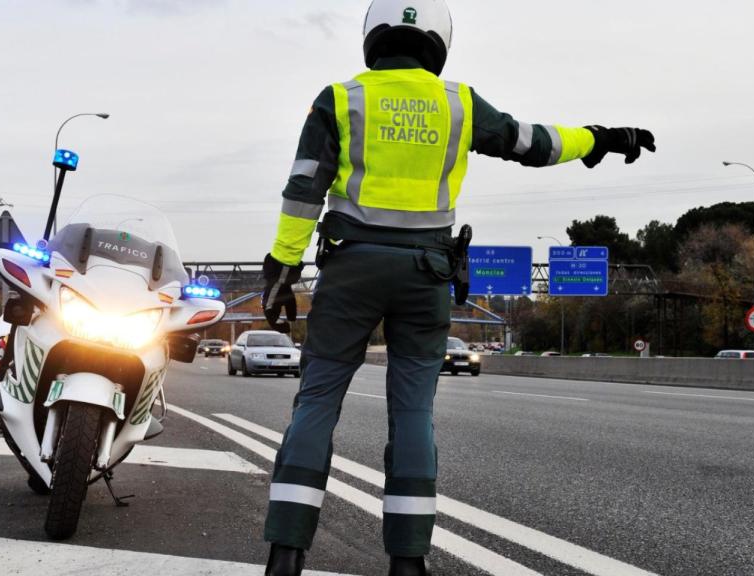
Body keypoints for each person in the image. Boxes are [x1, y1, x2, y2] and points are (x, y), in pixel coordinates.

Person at [259, 1, 655, 574]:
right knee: (412, 413)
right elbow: (532, 142)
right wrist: (599, 139)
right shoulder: (459, 103)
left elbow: (303, 190)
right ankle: (408, 562)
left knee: (317, 401)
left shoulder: (340, 99)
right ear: (438, 41)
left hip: (351, 270)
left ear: (373, 37)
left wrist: (282, 269)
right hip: (426, 275)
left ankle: (286, 554)